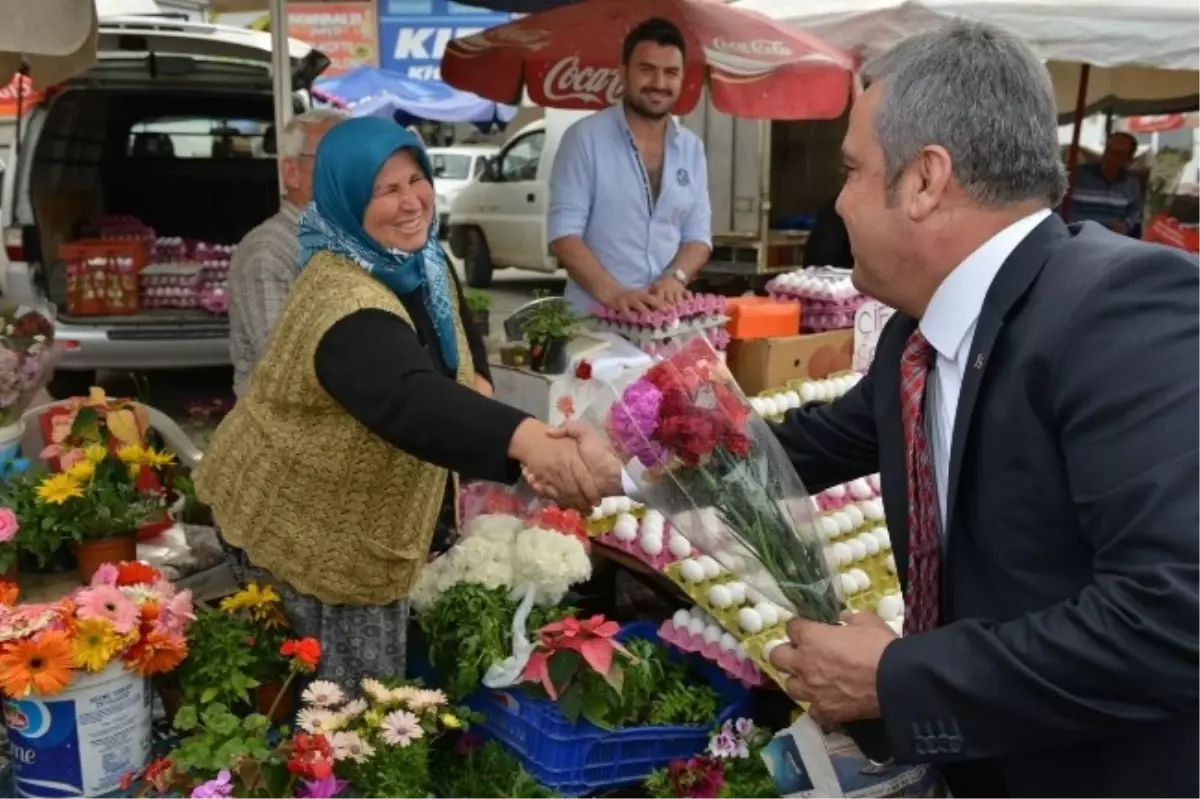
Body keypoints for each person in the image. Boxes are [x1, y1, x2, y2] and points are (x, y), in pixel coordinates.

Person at [538, 20, 1200, 799]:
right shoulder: (919, 334)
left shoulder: (1122, 309)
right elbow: (801, 448)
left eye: (852, 170)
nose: (838, 201)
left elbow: (1174, 615)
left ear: (924, 180)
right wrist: (628, 461)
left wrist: (897, 678)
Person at [194, 117, 602, 689]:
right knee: (350, 710)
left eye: (417, 179)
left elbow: (460, 338)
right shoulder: (340, 293)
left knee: (362, 701)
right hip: (312, 524)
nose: (411, 202)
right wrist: (531, 441)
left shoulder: (424, 262)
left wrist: (480, 385)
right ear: (346, 197)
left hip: (377, 509)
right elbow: (408, 394)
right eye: (386, 190)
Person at [548, 18, 712, 315]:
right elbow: (564, 237)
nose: (659, 84)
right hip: (595, 325)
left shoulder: (692, 148)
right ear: (624, 73)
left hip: (663, 325)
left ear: (682, 79)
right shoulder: (584, 139)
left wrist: (676, 277)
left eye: (671, 72)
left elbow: (698, 237)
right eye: (647, 69)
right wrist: (615, 294)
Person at [228, 109, 344, 398]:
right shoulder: (268, 250)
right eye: (332, 160)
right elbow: (282, 364)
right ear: (292, 172)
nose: (348, 172)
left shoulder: (348, 241)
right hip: (286, 430)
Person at [1062, 131, 1143, 235]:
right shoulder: (1077, 176)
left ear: (1129, 160)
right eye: (1108, 150)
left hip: (1111, 239)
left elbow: (1135, 211)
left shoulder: (1131, 183)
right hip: (1077, 235)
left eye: (1117, 154)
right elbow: (1056, 205)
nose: (1109, 157)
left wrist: (1126, 224)